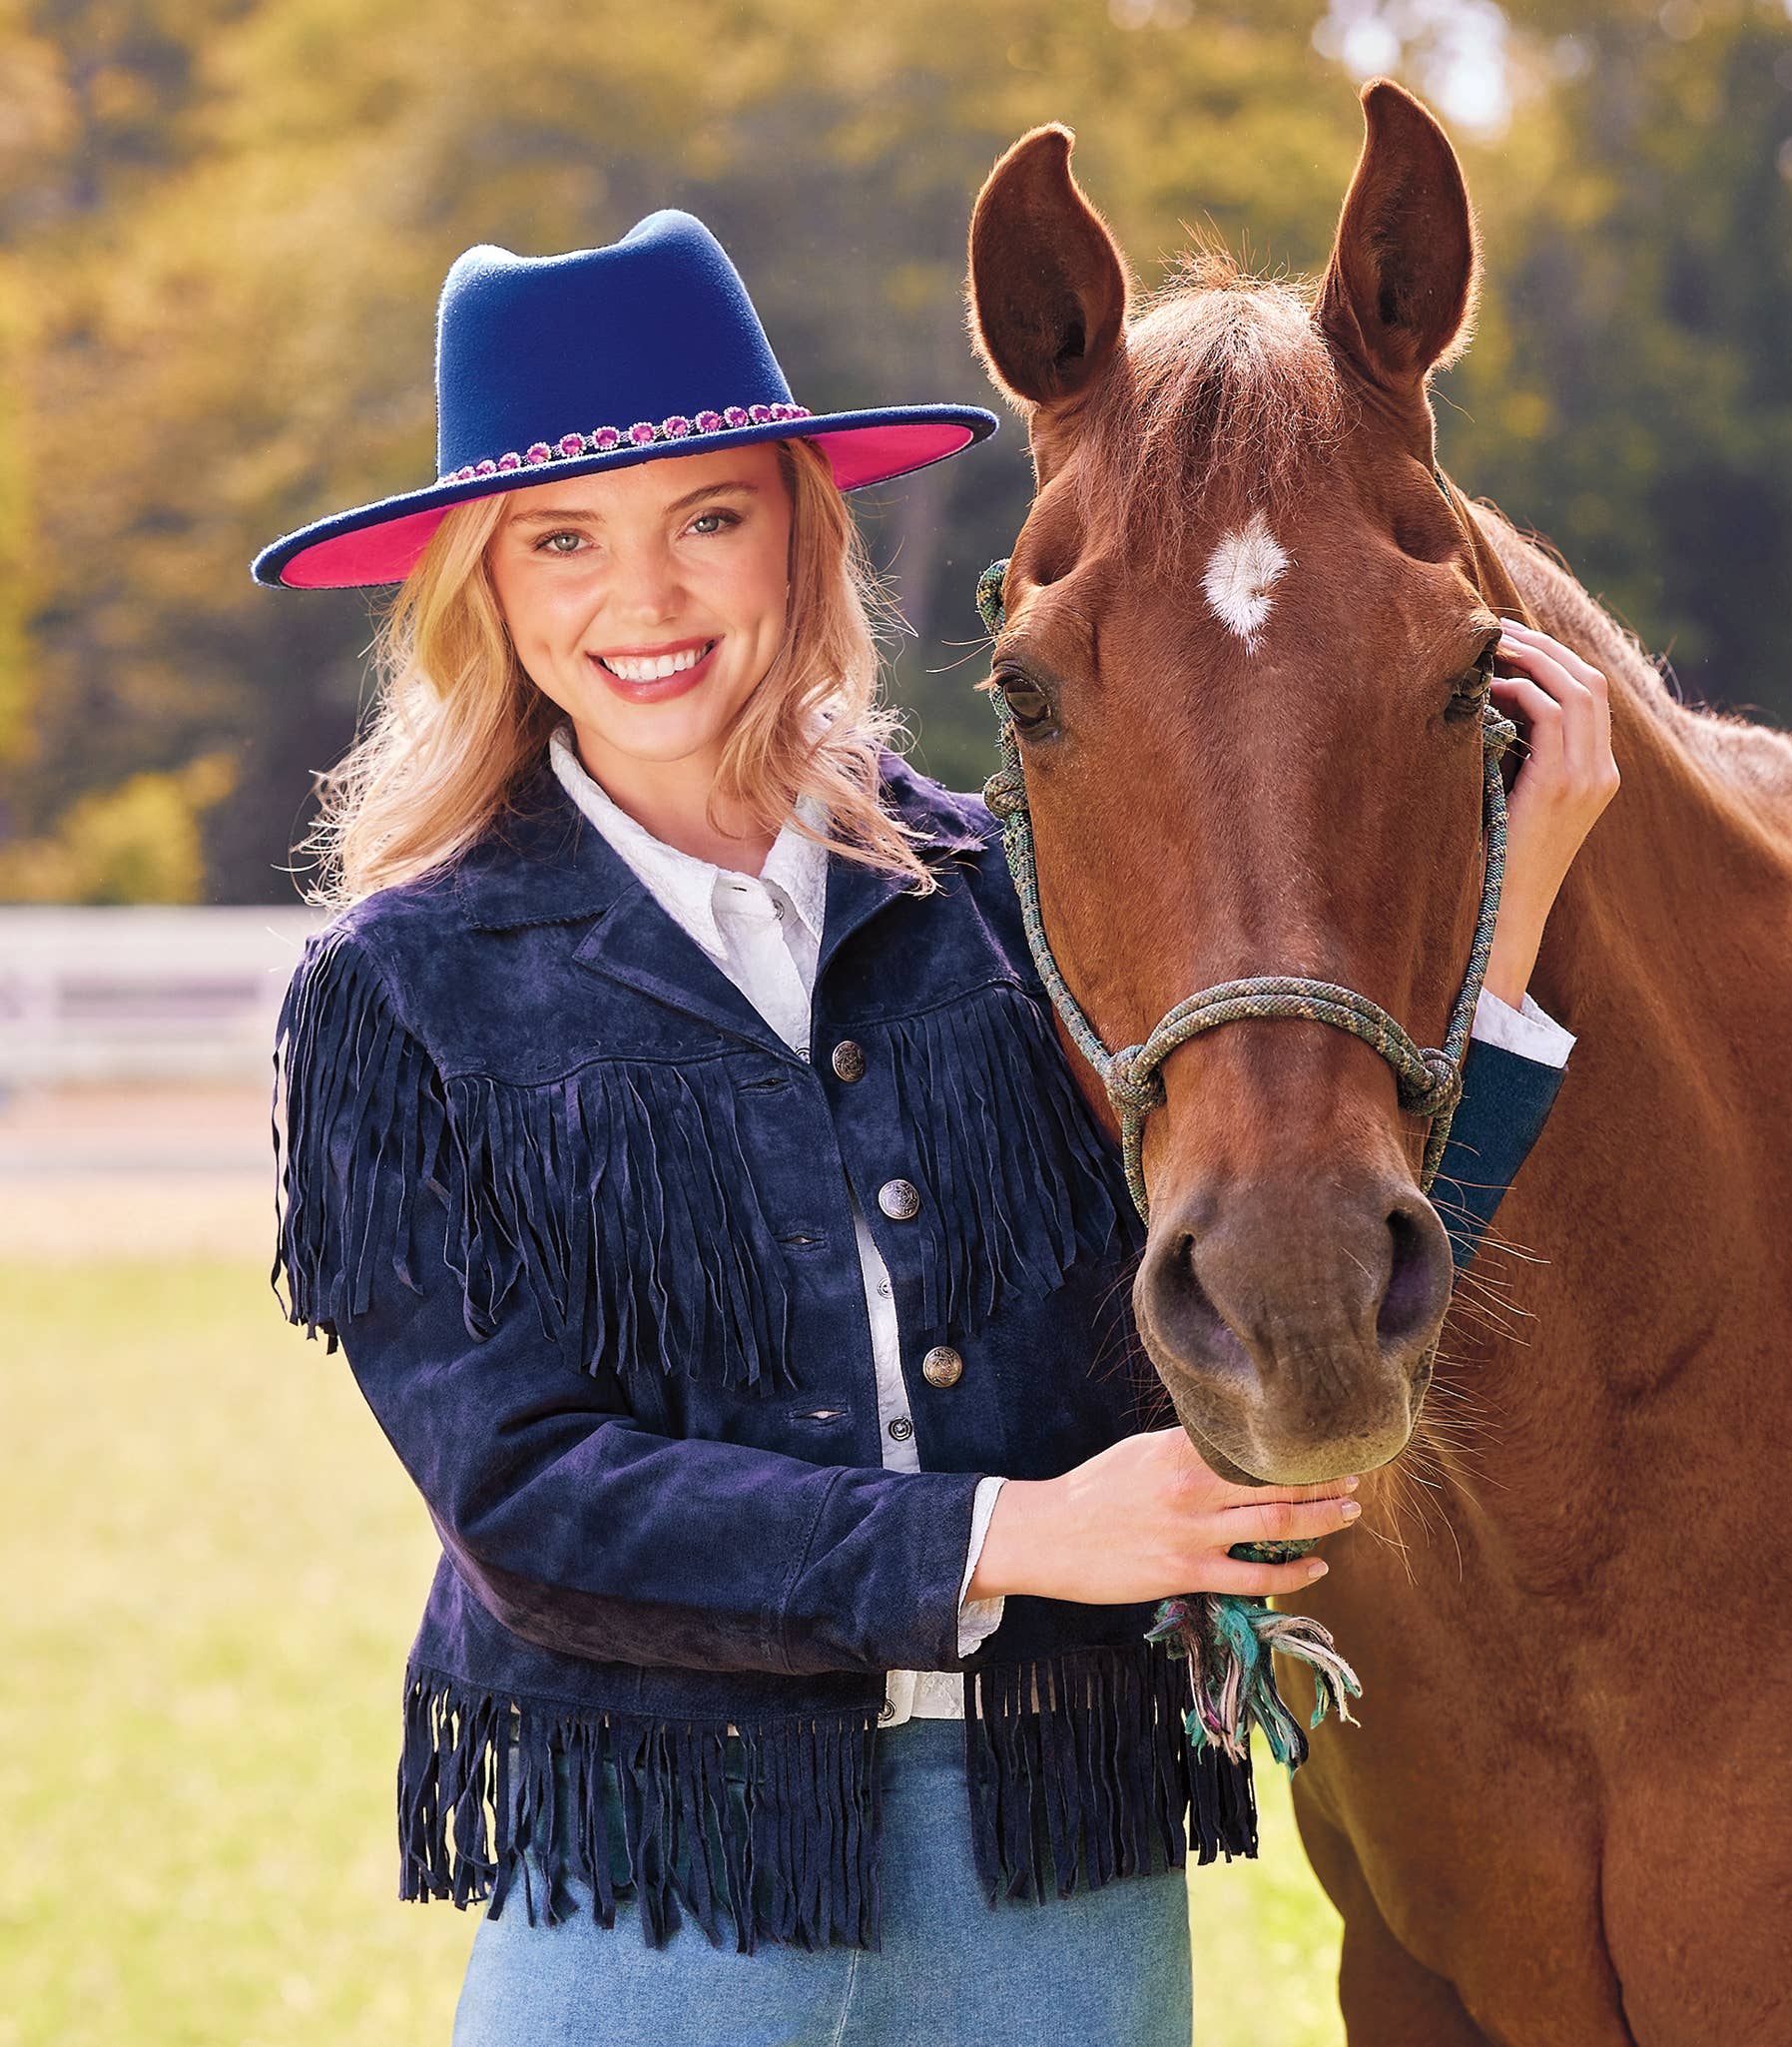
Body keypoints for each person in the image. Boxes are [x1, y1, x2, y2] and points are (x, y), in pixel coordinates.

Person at [252, 211, 1614, 2047]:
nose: (641, 598)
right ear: (481, 588)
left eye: (705, 519)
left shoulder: (997, 904)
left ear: (801, 533)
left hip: (1056, 1865)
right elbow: (528, 1503)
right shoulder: (401, 992)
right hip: (665, 1876)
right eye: (560, 540)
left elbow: (1282, 1294)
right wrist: (1007, 1534)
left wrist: (1508, 925)